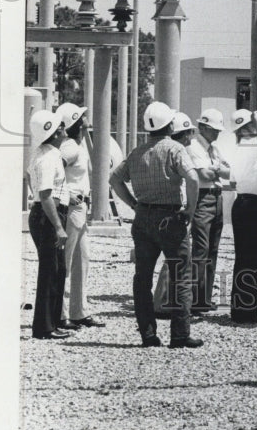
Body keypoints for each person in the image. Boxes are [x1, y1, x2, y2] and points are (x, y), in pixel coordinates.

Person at [109, 101, 203, 349]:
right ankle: (180, 335)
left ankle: (148, 335)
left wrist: (133, 204)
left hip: (143, 218)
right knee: (180, 276)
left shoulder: (136, 152)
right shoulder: (175, 149)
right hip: (171, 218)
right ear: (170, 124)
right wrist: (190, 210)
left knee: (143, 278)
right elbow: (193, 178)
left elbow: (114, 179)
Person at [55, 102, 105, 331]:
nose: (86, 120)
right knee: (65, 263)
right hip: (72, 207)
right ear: (76, 122)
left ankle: (78, 312)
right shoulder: (69, 148)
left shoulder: (78, 145)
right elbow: (53, 171)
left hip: (80, 209)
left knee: (82, 261)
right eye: (82, 118)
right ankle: (59, 313)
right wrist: (66, 195)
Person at [27, 109, 71, 340]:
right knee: (49, 271)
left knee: (57, 270)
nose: (64, 130)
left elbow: (28, 178)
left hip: (48, 213)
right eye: (61, 127)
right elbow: (45, 195)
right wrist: (58, 226)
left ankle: (52, 322)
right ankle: (44, 327)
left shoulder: (44, 153)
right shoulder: (47, 157)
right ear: (53, 133)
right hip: (49, 216)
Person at [225, 109, 257, 323]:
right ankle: (247, 311)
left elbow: (233, 181)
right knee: (252, 259)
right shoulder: (252, 143)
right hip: (252, 204)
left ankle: (241, 309)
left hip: (243, 203)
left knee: (244, 258)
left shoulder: (238, 148)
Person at [187, 108, 232, 313]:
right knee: (201, 249)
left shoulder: (213, 149)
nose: (217, 133)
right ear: (203, 127)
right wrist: (217, 169)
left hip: (216, 198)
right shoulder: (194, 147)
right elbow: (204, 175)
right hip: (204, 199)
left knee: (212, 250)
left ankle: (203, 298)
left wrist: (215, 169)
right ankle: (194, 297)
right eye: (214, 129)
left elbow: (229, 171)